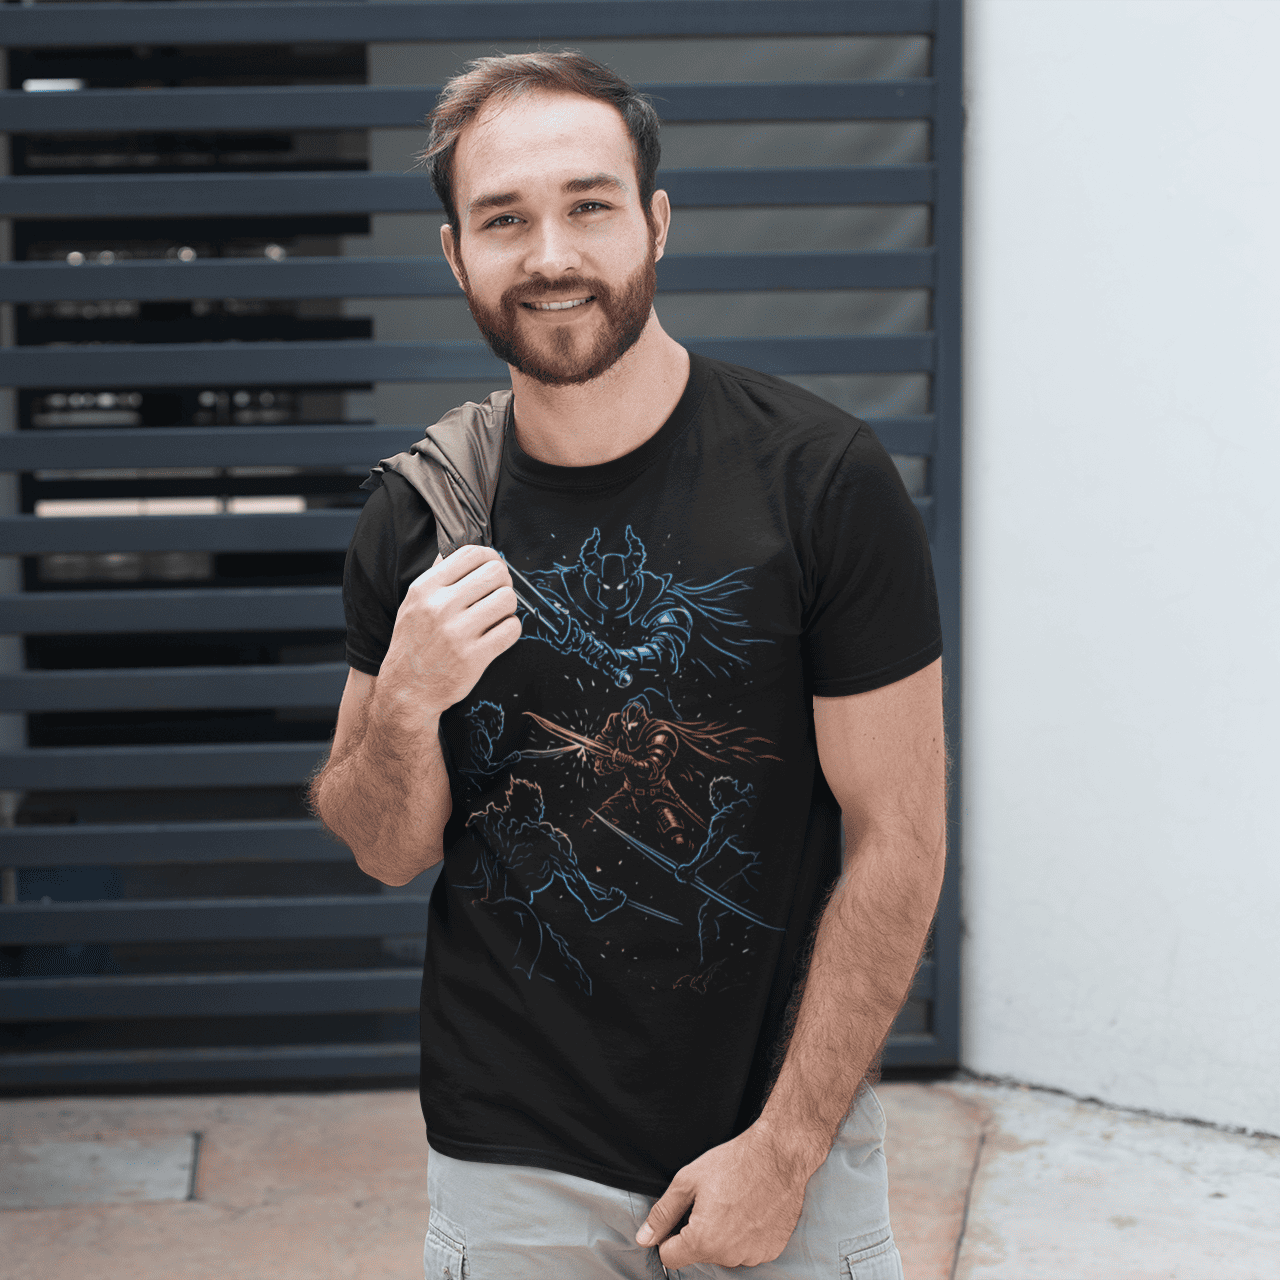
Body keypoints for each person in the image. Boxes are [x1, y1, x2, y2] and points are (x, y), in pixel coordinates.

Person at [310, 50, 946, 1279]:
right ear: (455, 253)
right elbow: (385, 843)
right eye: (503, 218)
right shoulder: (422, 511)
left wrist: (788, 1144)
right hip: (511, 1166)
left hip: (779, 1147)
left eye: (588, 204)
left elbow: (899, 837)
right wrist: (404, 698)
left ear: (655, 221)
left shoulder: (819, 481)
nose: (550, 253)